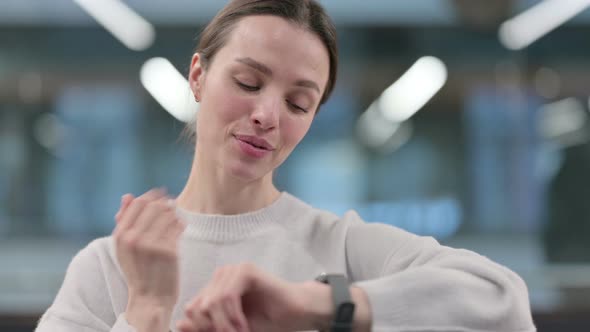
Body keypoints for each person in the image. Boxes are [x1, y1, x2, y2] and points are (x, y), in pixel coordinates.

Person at [35, 1, 536, 331]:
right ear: (198, 76)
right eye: (249, 83)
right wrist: (145, 309)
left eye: (298, 104)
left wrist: (318, 305)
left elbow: (505, 304)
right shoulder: (109, 267)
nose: (267, 116)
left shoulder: (340, 247)